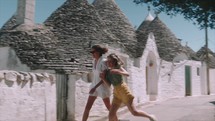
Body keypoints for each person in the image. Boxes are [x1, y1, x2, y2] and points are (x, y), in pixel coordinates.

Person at [100, 53, 157, 121]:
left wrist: (118, 71)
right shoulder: (107, 72)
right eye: (108, 61)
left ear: (114, 61)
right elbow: (109, 85)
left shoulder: (118, 67)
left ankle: (150, 116)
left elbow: (127, 74)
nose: (108, 63)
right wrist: (103, 78)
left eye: (110, 61)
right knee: (111, 115)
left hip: (124, 90)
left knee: (134, 112)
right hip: (116, 93)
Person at [82, 45, 112, 121]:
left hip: (102, 87)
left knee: (109, 108)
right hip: (94, 86)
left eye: (93, 52)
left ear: (98, 52)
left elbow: (103, 78)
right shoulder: (94, 61)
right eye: (91, 52)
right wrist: (94, 87)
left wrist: (95, 87)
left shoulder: (104, 62)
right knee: (87, 107)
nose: (92, 53)